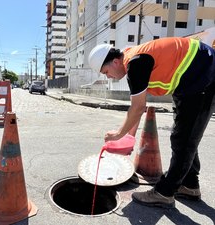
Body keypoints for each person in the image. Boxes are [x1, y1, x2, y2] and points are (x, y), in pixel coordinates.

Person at [88, 37, 215, 208]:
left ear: (116, 61)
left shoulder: (136, 63)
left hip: (203, 75)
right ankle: (189, 185)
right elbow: (138, 108)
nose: (109, 77)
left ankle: (164, 193)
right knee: (184, 135)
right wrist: (128, 138)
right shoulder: (132, 60)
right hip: (190, 82)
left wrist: (119, 134)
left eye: (106, 72)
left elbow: (138, 108)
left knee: (183, 140)